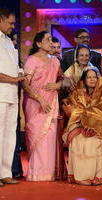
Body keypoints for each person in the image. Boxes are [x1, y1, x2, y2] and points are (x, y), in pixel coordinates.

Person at [62, 67, 102, 185]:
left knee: (95, 142)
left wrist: (91, 120)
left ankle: (99, 176)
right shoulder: (77, 93)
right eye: (89, 77)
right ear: (84, 79)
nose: (92, 80)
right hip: (80, 125)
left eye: (95, 77)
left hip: (101, 128)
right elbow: (72, 109)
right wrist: (84, 120)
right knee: (78, 140)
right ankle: (82, 177)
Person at [23, 31, 62, 181]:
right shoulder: (31, 60)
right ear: (39, 44)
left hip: (52, 102)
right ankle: (36, 174)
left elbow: (65, 80)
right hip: (35, 104)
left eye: (51, 39)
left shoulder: (55, 61)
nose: (50, 42)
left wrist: (57, 84)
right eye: (47, 40)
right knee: (37, 136)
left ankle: (48, 173)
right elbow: (25, 84)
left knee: (50, 136)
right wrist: (40, 100)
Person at [0, 8, 26, 186]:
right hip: (1, 94)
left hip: (12, 94)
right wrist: (16, 78)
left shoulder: (9, 42)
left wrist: (22, 73)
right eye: (10, 22)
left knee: (10, 135)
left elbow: (13, 66)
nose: (12, 26)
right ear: (0, 20)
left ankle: (5, 173)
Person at [8, 30, 23, 178]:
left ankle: (14, 171)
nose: (15, 43)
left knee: (13, 137)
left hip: (13, 100)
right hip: (4, 97)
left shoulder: (15, 57)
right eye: (13, 40)